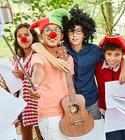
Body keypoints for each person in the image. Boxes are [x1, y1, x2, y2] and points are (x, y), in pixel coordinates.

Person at [31, 8, 125, 120]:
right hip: (72, 103)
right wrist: (54, 60)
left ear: (85, 33)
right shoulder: (62, 50)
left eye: (79, 31)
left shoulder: (94, 51)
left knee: (95, 133)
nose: (74, 35)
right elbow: (36, 46)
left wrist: (124, 66)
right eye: (71, 31)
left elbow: (113, 57)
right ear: (66, 34)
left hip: (91, 100)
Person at [29, 8, 74, 140]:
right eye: (47, 30)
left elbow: (70, 85)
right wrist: (35, 85)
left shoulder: (68, 58)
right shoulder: (38, 57)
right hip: (50, 115)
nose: (52, 34)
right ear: (41, 35)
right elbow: (38, 71)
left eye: (56, 30)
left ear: (61, 35)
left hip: (70, 112)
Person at [96, 35, 125, 140]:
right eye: (109, 54)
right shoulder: (98, 68)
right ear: (104, 54)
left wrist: (124, 67)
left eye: (117, 55)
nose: (112, 58)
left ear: (122, 55)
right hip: (109, 116)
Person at [12, 23, 43, 140]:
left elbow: (39, 74)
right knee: (26, 138)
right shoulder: (16, 58)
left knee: (42, 136)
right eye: (19, 36)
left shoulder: (38, 55)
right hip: (21, 102)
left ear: (33, 36)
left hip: (36, 102)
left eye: (26, 34)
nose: (23, 38)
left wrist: (24, 77)